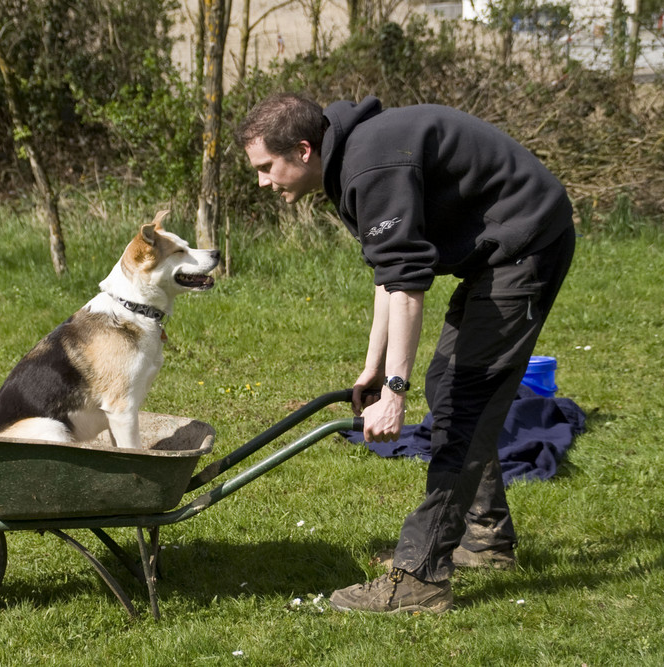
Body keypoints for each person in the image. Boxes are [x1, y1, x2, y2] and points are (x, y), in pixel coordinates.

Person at [235, 93, 575, 614]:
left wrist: (395, 391)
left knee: (464, 404)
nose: (262, 181)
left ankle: (420, 577)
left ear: (303, 150)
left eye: (265, 167)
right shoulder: (351, 161)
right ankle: (485, 538)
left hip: (527, 245)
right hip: (498, 253)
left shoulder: (369, 165)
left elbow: (409, 286)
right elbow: (389, 277)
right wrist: (374, 369)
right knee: (448, 388)